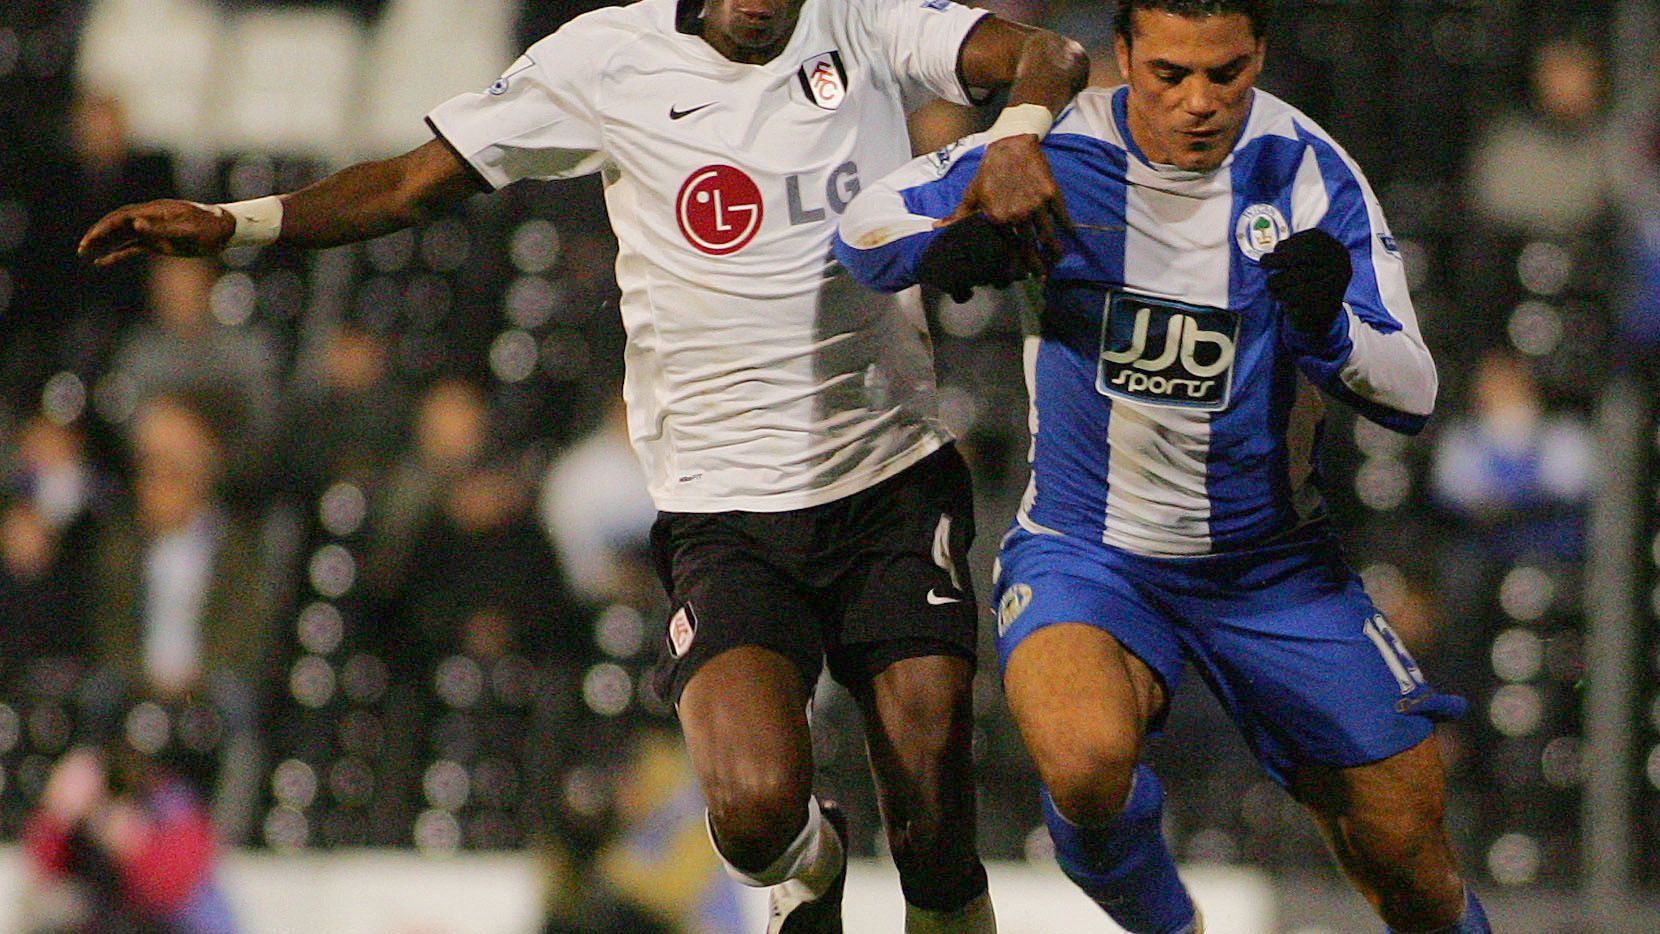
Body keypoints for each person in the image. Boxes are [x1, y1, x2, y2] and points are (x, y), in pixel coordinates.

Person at [77, 1, 1090, 930]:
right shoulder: (606, 60)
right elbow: (405, 185)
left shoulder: (863, 22)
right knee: (748, 813)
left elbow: (1051, 53)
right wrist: (231, 225)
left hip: (888, 480)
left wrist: (1013, 139)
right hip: (723, 509)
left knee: (930, 829)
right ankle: (807, 861)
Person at [834, 1, 1491, 932]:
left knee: (1415, 861)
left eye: (1225, 74)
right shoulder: (1053, 152)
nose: (1199, 102)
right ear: (1125, 56)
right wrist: (950, 243)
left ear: (1258, 54)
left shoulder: (1308, 171)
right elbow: (860, 229)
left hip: (1275, 570)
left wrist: (1328, 328)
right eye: (1170, 74)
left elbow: (1414, 390)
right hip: (1090, 554)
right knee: (1084, 759)